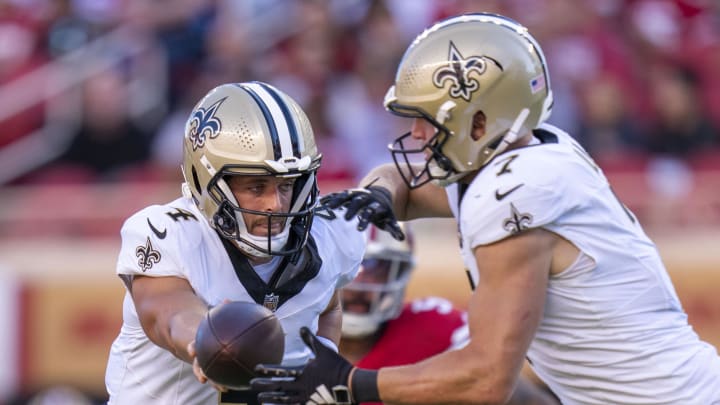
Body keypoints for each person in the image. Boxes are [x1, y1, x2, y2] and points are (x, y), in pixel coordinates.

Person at [250, 13, 720, 404]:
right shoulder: (525, 153)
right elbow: (399, 183)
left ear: (479, 120)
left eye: (427, 123)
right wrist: (377, 197)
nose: (415, 138)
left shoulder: (515, 191)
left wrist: (351, 383)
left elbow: (485, 378)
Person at [104, 81, 366, 405]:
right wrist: (204, 337)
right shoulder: (171, 231)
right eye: (257, 187)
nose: (277, 204)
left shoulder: (327, 236)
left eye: (286, 185)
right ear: (207, 181)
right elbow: (165, 313)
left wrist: (323, 356)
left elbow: (327, 303)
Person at [341, 223, 559, 405]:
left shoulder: (433, 328)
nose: (359, 284)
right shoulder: (306, 348)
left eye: (376, 267)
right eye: (345, 267)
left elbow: (525, 397)